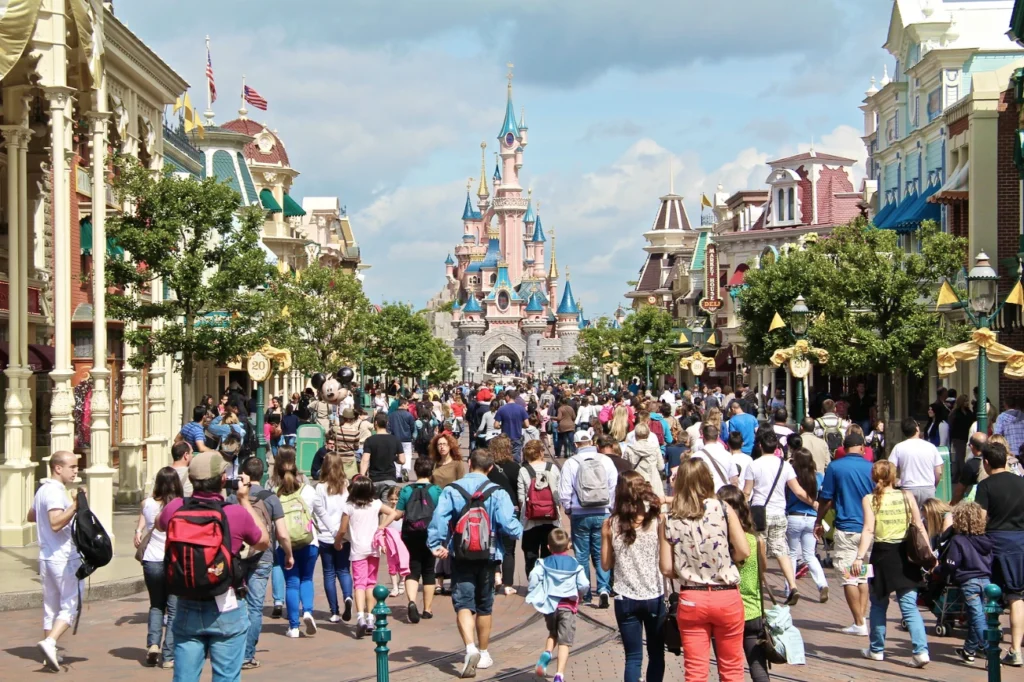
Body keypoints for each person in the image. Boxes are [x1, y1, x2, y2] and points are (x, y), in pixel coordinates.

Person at [156, 451, 269, 681]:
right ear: (223, 479)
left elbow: (159, 524)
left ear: (191, 479)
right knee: (226, 676)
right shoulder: (234, 513)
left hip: (187, 601)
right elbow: (263, 540)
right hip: (226, 604)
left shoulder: (176, 507)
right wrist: (244, 500)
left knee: (185, 677)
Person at [428, 449, 523, 677]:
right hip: (489, 555)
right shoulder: (498, 492)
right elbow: (508, 525)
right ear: (490, 468)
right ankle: (484, 652)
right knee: (484, 606)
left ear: (469, 463)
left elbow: (439, 518)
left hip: (460, 555)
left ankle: (470, 648)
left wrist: (435, 544)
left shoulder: (452, 489)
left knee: (463, 603)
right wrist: (521, 530)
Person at [660, 458, 750, 682]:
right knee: (732, 669)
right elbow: (744, 550)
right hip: (726, 595)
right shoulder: (723, 508)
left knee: (695, 671)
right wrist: (726, 561)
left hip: (692, 597)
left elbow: (666, 567)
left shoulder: (669, 518)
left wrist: (685, 570)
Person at [851, 460, 931, 668]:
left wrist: (859, 557)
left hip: (882, 555)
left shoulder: (869, 499)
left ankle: (876, 649)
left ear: (874, 477)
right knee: (909, 606)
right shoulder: (907, 496)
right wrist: (930, 553)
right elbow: (919, 526)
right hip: (906, 555)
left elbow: (868, 529)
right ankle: (921, 651)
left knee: (878, 604)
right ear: (893, 476)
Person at [600, 471, 665, 682]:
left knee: (633, 657)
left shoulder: (610, 524)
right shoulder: (656, 521)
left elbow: (606, 564)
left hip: (625, 597)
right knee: (656, 654)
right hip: (654, 595)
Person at [813, 431, 875, 635]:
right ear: (862, 448)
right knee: (862, 575)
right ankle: (861, 619)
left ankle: (859, 622)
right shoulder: (871, 468)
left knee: (849, 577)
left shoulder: (835, 467)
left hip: (846, 528)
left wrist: (819, 520)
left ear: (844, 449)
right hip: (867, 529)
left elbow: (826, 498)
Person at [743, 430, 814, 605]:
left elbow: (747, 492)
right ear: (776, 447)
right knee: (781, 550)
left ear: (760, 446)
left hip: (759, 514)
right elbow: (798, 491)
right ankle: (792, 585)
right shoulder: (785, 466)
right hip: (779, 513)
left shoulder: (754, 465)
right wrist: (814, 503)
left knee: (759, 548)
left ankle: (759, 583)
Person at [28, 452, 85, 671]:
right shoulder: (53, 491)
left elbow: (32, 515)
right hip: (63, 557)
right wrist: (75, 506)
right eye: (72, 467)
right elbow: (54, 523)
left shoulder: (43, 490)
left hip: (47, 555)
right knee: (71, 604)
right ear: (58, 468)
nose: (76, 471)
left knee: (51, 607)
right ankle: (50, 641)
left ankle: (48, 653)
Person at [234, 456, 290, 670]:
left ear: (243, 473)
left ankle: (233, 650)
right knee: (255, 607)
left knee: (237, 604)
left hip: (238, 556)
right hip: (263, 555)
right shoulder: (271, 498)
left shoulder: (233, 497)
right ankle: (247, 655)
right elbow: (282, 533)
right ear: (263, 473)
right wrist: (288, 554)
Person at [975, 441, 1024, 667]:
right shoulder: (1021, 482)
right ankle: (1016, 649)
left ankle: (991, 647)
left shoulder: (985, 486)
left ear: (986, 462)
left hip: (994, 543)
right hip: (1019, 542)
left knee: (991, 595)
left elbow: (980, 519)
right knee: (1016, 596)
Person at [558, 431, 617, 608]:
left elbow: (564, 491)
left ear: (576, 444)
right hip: (603, 511)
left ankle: (585, 594)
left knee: (582, 554)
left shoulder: (571, 463)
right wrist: (610, 507)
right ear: (592, 442)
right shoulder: (606, 460)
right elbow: (613, 486)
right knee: (601, 552)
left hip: (580, 513)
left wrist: (568, 509)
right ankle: (604, 588)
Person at [336, 474, 399, 638]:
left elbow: (342, 529)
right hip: (373, 548)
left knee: (359, 584)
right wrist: (381, 527)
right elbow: (393, 513)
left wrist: (338, 541)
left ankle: (360, 618)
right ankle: (371, 618)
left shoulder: (349, 506)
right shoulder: (375, 503)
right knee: (371, 583)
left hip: (358, 549)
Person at [717, 484, 769, 682]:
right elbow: (762, 571)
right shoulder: (756, 540)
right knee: (758, 667)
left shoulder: (719, 543)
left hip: (727, 611)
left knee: (728, 667)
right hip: (753, 610)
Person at [135, 467, 183, 667]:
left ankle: (153, 644)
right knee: (173, 609)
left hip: (151, 560)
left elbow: (143, 516)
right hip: (173, 561)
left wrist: (138, 531)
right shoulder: (179, 506)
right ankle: (168, 655)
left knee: (156, 605)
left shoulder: (146, 504)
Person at [527, 529, 589, 682]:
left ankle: (547, 653)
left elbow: (534, 576)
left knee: (553, 633)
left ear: (548, 547)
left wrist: (534, 590)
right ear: (568, 546)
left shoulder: (544, 563)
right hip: (567, 607)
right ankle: (559, 674)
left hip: (550, 607)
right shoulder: (574, 564)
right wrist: (580, 594)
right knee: (564, 642)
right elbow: (584, 584)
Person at [940, 502, 996, 665]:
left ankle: (990, 651)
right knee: (977, 616)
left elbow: (952, 564)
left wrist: (937, 570)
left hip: (969, 582)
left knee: (977, 617)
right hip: (986, 581)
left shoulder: (958, 540)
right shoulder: (986, 540)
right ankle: (969, 649)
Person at [273, 447, 320, 638]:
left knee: (292, 583)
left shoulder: (274, 493)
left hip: (285, 545)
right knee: (307, 579)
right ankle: (307, 610)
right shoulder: (308, 490)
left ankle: (293, 627)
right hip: (309, 541)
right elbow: (319, 513)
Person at [395, 456, 442, 623]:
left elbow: (398, 513)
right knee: (429, 569)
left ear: (416, 471)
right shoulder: (436, 491)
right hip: (430, 533)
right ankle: (427, 609)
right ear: (431, 471)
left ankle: (412, 602)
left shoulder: (407, 490)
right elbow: (441, 513)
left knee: (413, 568)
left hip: (410, 533)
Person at [311, 453, 353, 625]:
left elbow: (319, 512)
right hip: (343, 535)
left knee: (329, 573)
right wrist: (339, 532)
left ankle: (334, 612)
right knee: (344, 570)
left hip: (325, 536)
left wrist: (331, 530)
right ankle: (348, 596)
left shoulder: (320, 487)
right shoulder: (346, 485)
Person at [786, 448, 828, 603]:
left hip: (794, 516)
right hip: (811, 517)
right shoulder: (818, 477)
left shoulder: (792, 477)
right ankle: (822, 584)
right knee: (809, 554)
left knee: (791, 554)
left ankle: (790, 588)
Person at [519, 439, 562, 578]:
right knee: (549, 552)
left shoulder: (524, 470)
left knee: (530, 552)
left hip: (531, 520)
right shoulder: (552, 468)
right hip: (551, 518)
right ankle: (547, 580)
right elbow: (558, 493)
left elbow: (521, 497)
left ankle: (533, 580)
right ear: (541, 452)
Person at [888, 417, 942, 510]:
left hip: (908, 488)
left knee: (910, 517)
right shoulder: (931, 447)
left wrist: (896, 482)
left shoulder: (898, 448)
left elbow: (890, 469)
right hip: (928, 487)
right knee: (929, 517)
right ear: (917, 429)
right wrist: (934, 486)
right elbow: (939, 471)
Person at [361, 411, 406, 495]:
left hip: (374, 479)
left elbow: (365, 460)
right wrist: (394, 458)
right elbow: (402, 460)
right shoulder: (395, 440)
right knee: (388, 502)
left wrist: (362, 476)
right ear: (387, 423)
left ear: (375, 423)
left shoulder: (370, 440)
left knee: (374, 503)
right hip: (390, 478)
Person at [622, 423, 666, 501]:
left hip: (636, 481)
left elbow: (625, 468)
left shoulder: (629, 449)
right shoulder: (655, 447)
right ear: (648, 434)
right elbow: (661, 467)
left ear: (635, 434)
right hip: (653, 480)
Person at [690, 423, 739, 492]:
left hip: (705, 494)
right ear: (717, 437)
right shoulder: (728, 455)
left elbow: (692, 481)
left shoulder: (696, 456)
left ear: (703, 437)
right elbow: (734, 480)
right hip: (724, 494)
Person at [952, 432, 989, 504]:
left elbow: (959, 491)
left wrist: (952, 505)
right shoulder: (994, 459)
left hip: (977, 504)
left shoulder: (971, 465)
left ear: (971, 446)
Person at [495, 390, 530, 463]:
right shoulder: (521, 408)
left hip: (505, 438)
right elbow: (527, 425)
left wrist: (502, 426)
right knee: (516, 459)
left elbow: (496, 425)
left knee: (504, 458)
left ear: (508, 397)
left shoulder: (501, 409)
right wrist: (519, 425)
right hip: (517, 437)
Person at [387, 397, 417, 478]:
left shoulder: (392, 415)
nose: (408, 406)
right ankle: (405, 468)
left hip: (395, 438)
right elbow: (412, 427)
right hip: (407, 438)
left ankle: (398, 475)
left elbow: (389, 428)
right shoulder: (409, 415)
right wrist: (410, 434)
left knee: (397, 456)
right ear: (403, 404)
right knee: (407, 454)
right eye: (407, 404)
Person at [949, 394, 974, 482]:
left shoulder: (969, 412)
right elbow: (951, 424)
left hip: (967, 436)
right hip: (958, 437)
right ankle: (963, 476)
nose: (967, 403)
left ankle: (957, 475)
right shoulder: (955, 413)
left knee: (961, 456)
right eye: (965, 401)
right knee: (961, 456)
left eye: (967, 401)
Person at [993, 396, 1024, 463]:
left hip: (1010, 451)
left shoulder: (1001, 417)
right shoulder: (1022, 415)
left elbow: (997, 435)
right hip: (1022, 451)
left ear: (1005, 405)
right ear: (1015, 405)